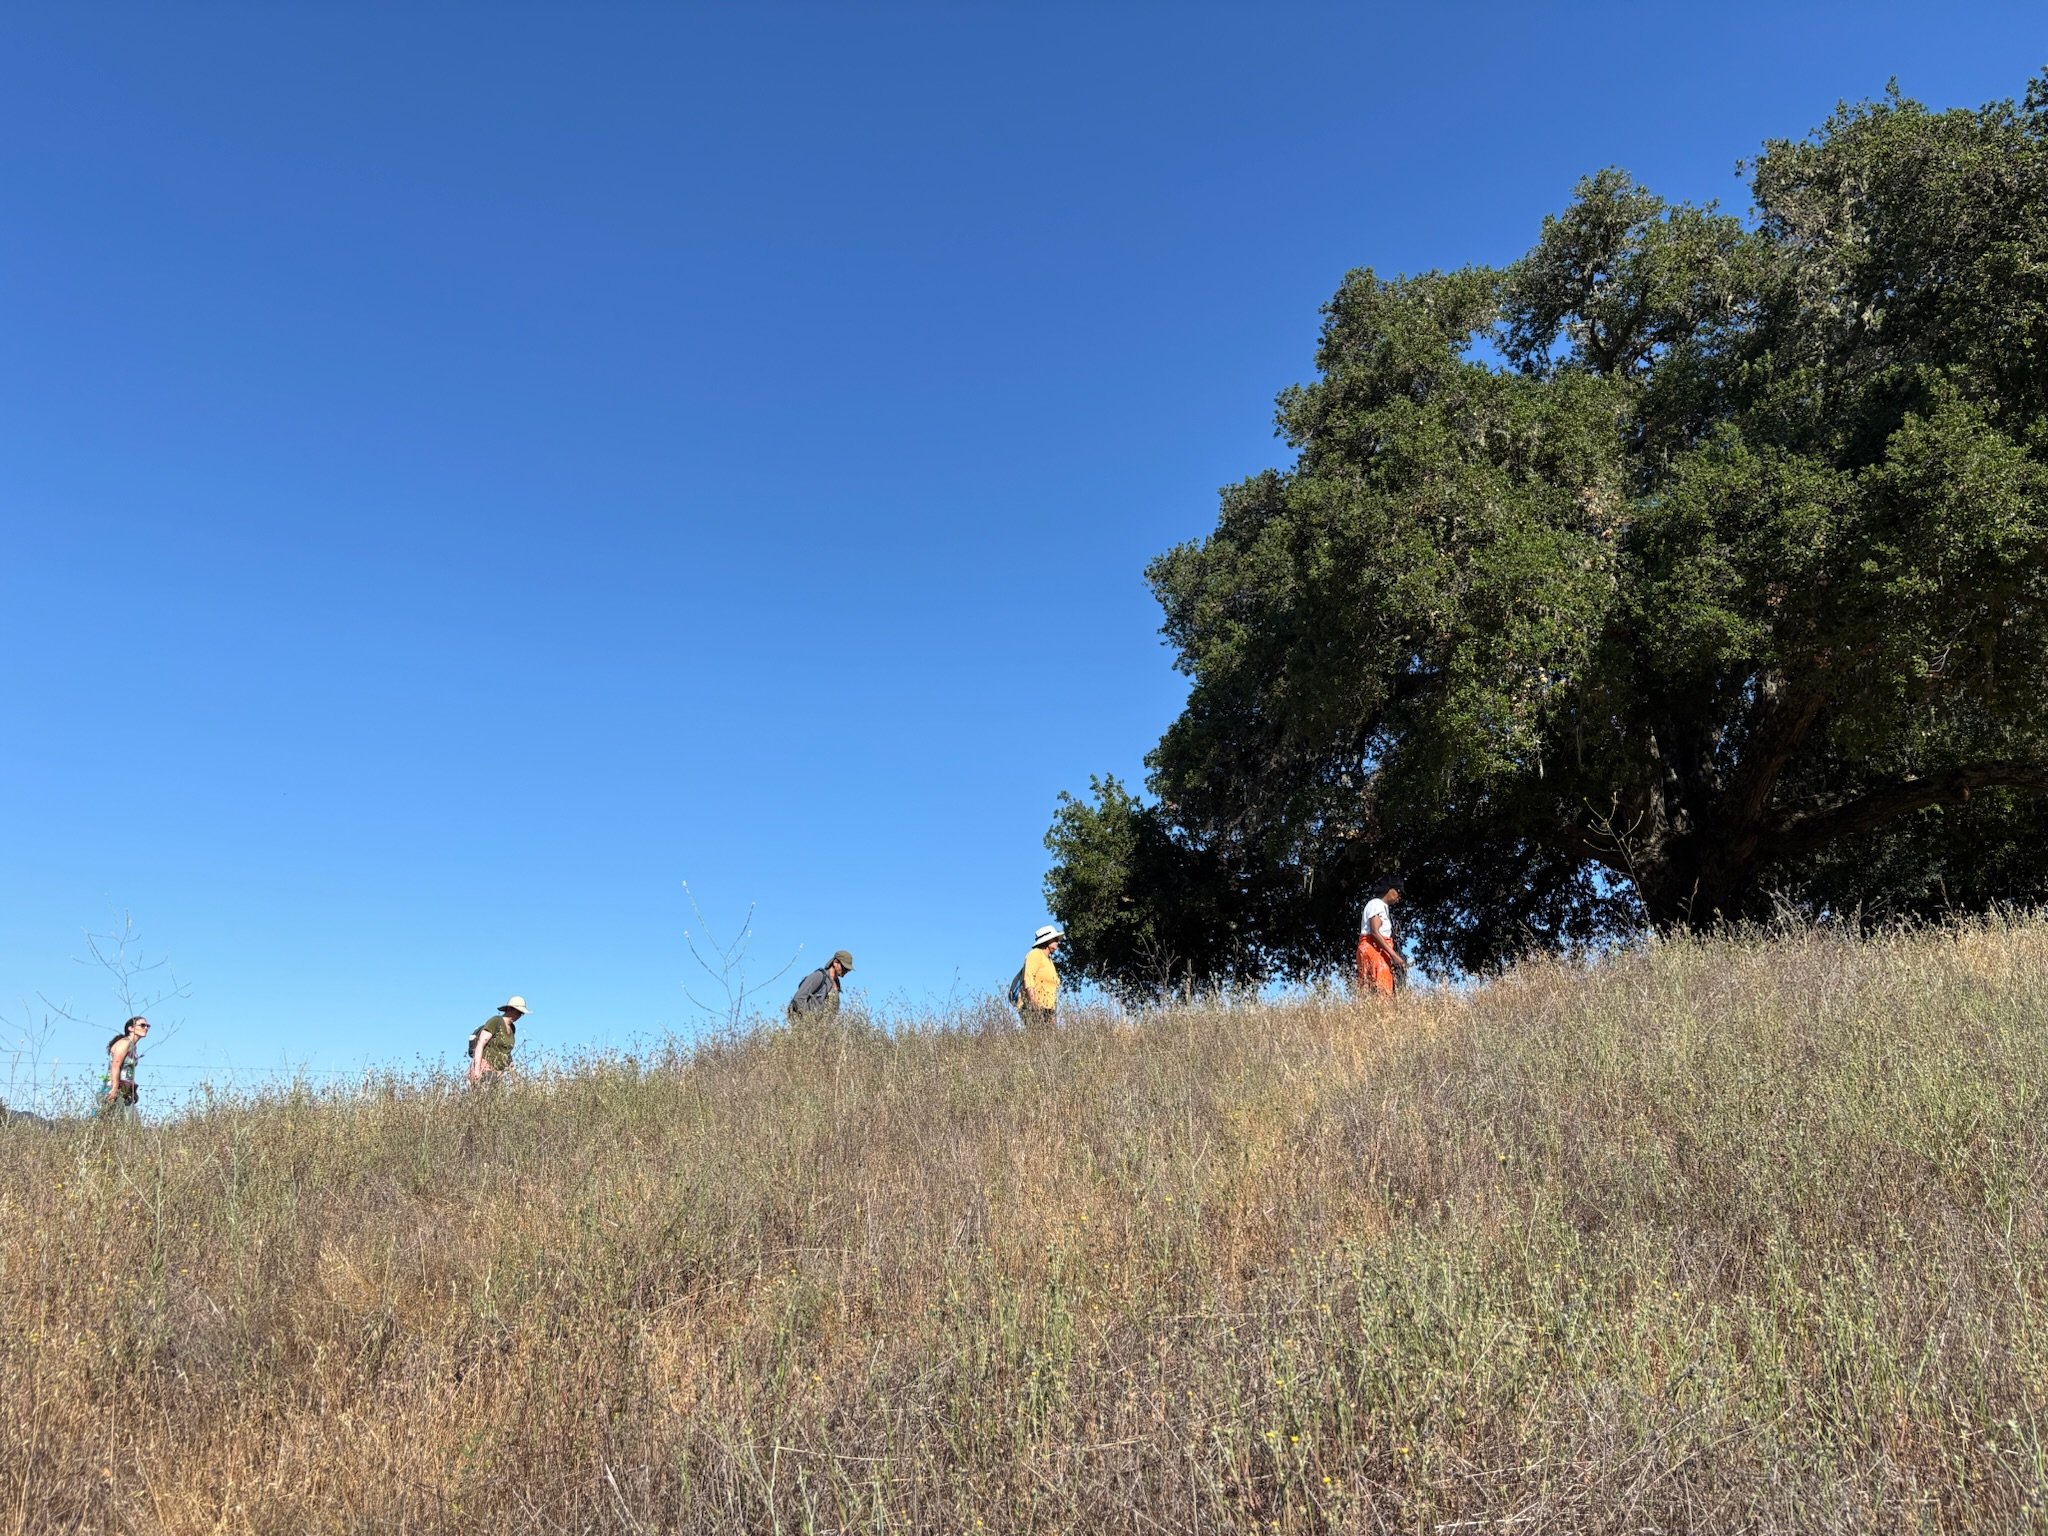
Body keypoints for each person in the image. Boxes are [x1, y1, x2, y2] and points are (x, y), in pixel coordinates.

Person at [1357, 879, 1409, 998]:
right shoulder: (1376, 904)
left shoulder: (1381, 907)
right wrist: (1394, 955)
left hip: (1377, 949)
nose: (1399, 897)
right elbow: (1375, 932)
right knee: (1381, 989)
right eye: (1399, 892)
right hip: (1374, 949)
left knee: (1373, 989)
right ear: (1390, 890)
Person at [467, 996, 527, 1086]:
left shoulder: (512, 1028)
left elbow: (507, 1053)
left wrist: (514, 1077)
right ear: (510, 1009)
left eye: (521, 1013)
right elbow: (480, 1044)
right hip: (485, 1067)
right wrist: (477, 1070)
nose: (519, 1016)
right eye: (518, 1012)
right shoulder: (495, 1021)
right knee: (487, 1096)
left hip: (498, 1072)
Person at [1017, 925, 1064, 1029]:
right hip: (1034, 1007)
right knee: (1038, 1038)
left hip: (1048, 1008)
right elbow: (1029, 978)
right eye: (1055, 939)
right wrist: (1034, 1005)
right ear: (1047, 941)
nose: (1058, 941)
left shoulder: (1049, 961)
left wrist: (1052, 1012)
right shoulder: (1035, 954)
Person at [787, 950, 855, 1021]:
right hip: (805, 1025)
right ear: (835, 962)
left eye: (848, 969)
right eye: (844, 967)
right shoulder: (818, 976)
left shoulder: (836, 986)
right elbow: (798, 999)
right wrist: (809, 1021)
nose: (846, 971)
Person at [101, 1015, 148, 1116]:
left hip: (125, 1092)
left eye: (148, 1026)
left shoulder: (133, 1047)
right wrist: (114, 1088)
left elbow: (126, 1071)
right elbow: (115, 1066)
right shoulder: (125, 1043)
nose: (146, 1028)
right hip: (115, 1090)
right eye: (142, 1025)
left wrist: (132, 1090)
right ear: (130, 1028)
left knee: (131, 1124)